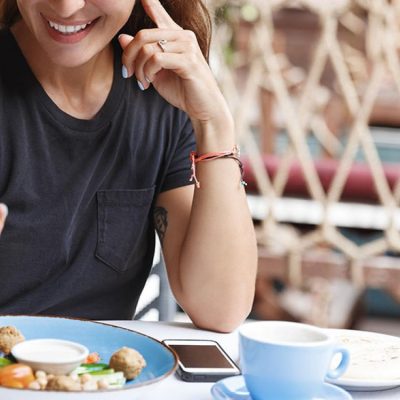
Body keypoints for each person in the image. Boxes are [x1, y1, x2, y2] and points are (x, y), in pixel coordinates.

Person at [0, 0, 257, 332]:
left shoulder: (161, 92)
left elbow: (221, 308)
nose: (66, 6)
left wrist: (213, 123)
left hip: (105, 376)